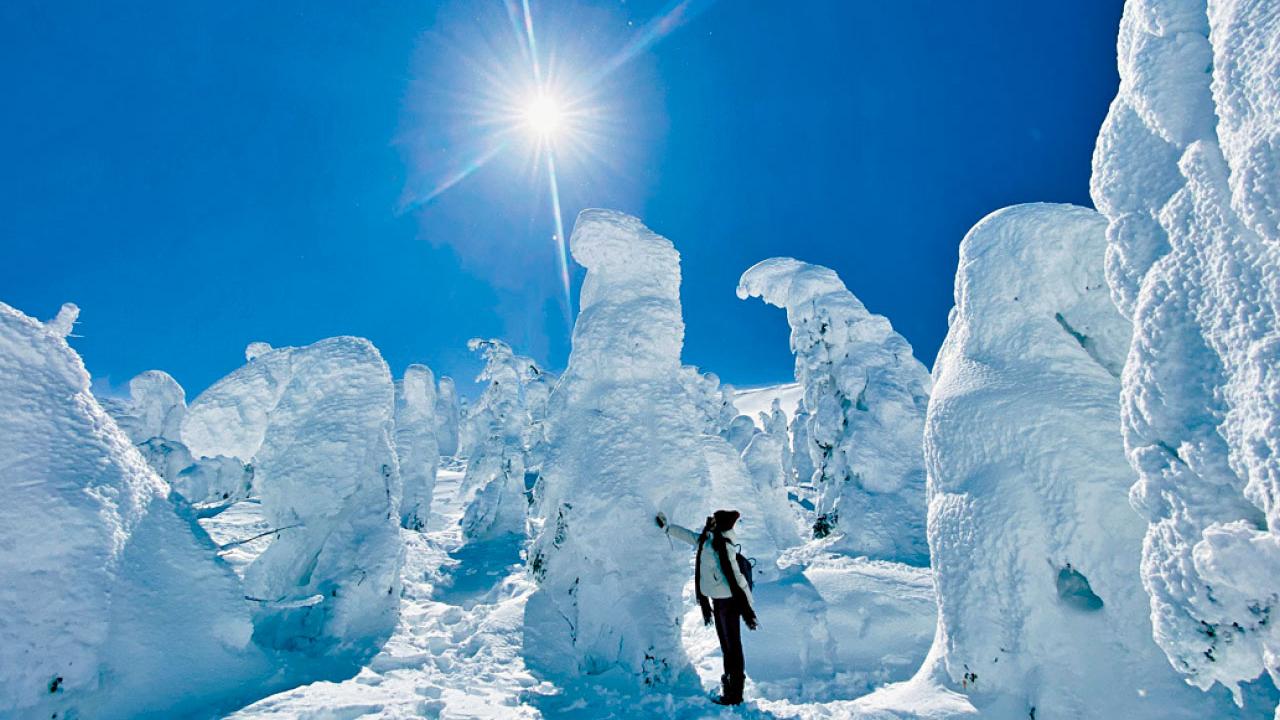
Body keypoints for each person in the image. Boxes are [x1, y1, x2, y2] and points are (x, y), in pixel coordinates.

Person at [655, 509, 758, 706]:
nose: (710, 522)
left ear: (720, 524)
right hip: (718, 600)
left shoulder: (723, 544)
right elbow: (691, 537)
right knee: (727, 646)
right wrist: (668, 528)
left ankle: (734, 693)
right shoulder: (709, 539)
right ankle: (729, 688)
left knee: (732, 647)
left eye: (714, 520)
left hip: (729, 601)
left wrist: (747, 603)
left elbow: (736, 576)